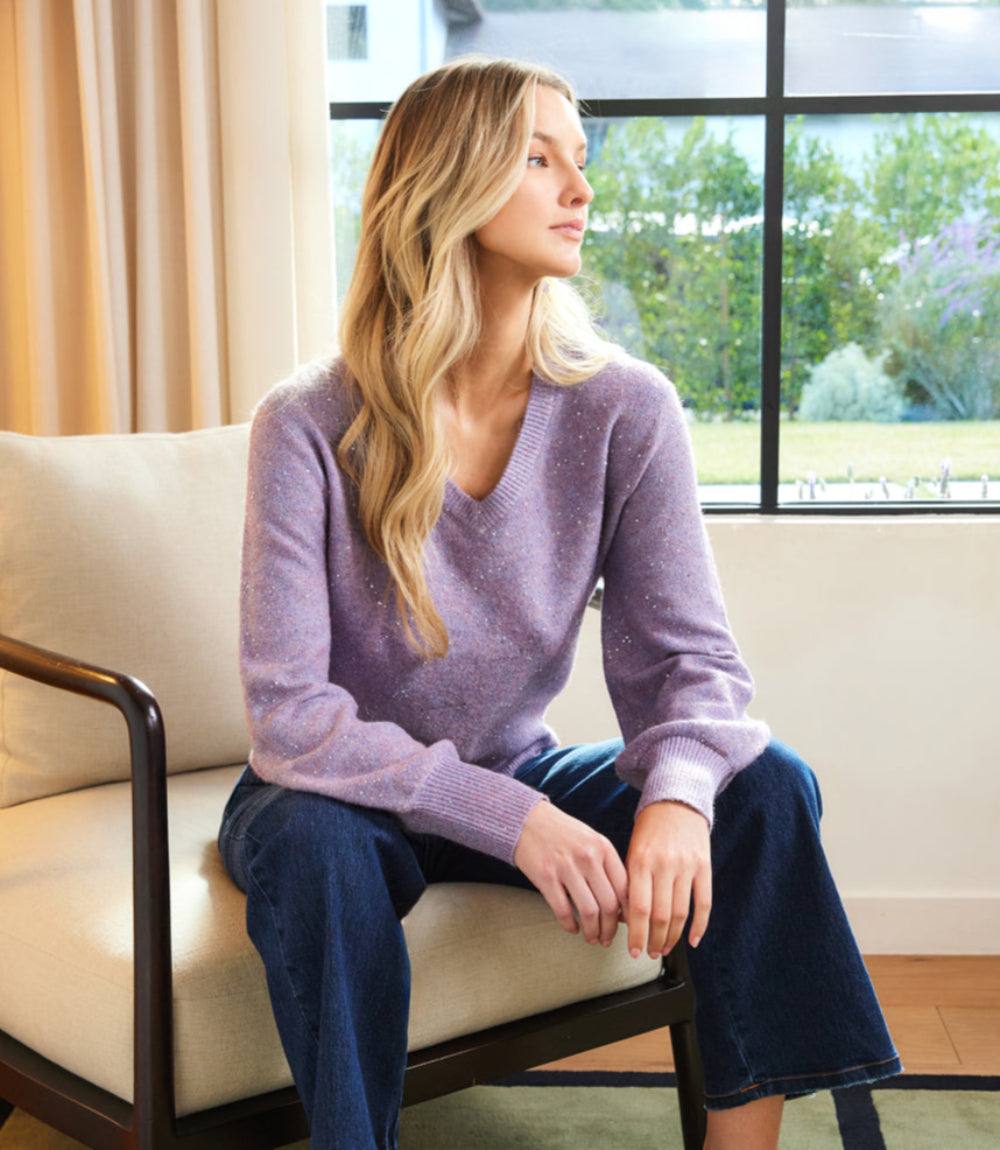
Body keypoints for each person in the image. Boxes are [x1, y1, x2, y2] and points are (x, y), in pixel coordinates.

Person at [217, 53, 903, 1150]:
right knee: (314, 849)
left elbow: (693, 664)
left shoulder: (623, 409)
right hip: (334, 798)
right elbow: (292, 718)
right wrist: (515, 819)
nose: (580, 189)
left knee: (764, 782)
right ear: (447, 182)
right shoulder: (307, 422)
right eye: (539, 160)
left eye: (578, 159)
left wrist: (678, 795)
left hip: (514, 767)